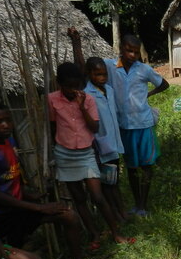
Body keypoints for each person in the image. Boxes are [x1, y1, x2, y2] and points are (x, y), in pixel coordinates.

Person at [0, 101, 84, 259]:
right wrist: (39, 207)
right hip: (2, 215)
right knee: (16, 257)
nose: (5, 125)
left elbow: (10, 179)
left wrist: (30, 195)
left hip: (19, 206)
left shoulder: (10, 142)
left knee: (69, 216)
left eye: (8, 120)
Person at [48, 63, 129, 248]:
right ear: (60, 83)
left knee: (98, 196)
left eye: (76, 86)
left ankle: (116, 233)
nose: (72, 90)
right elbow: (53, 127)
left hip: (86, 153)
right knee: (79, 199)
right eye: (68, 86)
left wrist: (82, 107)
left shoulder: (89, 99)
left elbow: (94, 127)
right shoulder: (52, 99)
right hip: (65, 153)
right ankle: (94, 235)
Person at [104, 34, 169, 217]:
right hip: (124, 126)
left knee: (146, 166)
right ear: (121, 49)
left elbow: (164, 84)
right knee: (131, 167)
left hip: (143, 124)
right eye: (129, 51)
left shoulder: (144, 70)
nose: (133, 55)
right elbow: (89, 67)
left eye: (136, 52)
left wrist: (148, 95)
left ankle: (143, 205)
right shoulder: (110, 66)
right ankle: (136, 204)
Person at [83, 56, 128, 223]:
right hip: (101, 145)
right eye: (97, 74)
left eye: (104, 74)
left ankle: (121, 211)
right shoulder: (87, 95)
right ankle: (116, 213)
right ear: (89, 74)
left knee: (115, 180)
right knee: (108, 183)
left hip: (114, 143)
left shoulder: (109, 90)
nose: (101, 78)